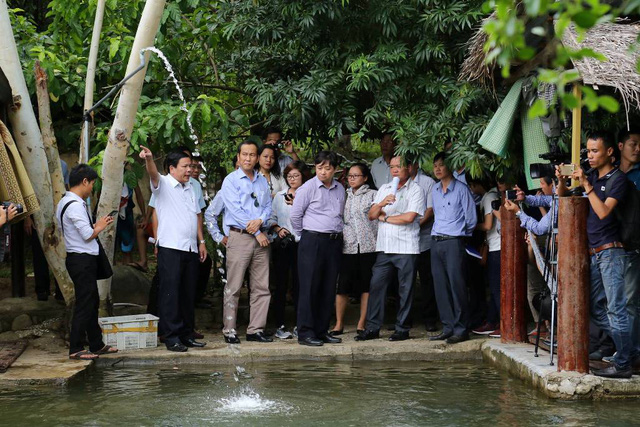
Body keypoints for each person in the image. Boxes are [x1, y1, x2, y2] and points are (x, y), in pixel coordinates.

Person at [558, 131, 631, 378]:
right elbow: (563, 197)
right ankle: (627, 350)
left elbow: (603, 212)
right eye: (588, 151)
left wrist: (587, 185)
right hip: (594, 253)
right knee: (595, 307)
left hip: (612, 252)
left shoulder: (617, 179)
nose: (589, 156)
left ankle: (623, 364)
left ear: (610, 152)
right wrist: (561, 180)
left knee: (616, 309)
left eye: (595, 151)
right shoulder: (590, 176)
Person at [140, 147, 208, 352]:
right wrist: (150, 159)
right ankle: (171, 336)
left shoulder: (191, 187)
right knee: (170, 293)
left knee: (188, 292)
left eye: (191, 166)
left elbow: (196, 216)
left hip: (190, 248)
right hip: (170, 247)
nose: (190, 170)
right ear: (172, 168)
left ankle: (187, 334)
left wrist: (201, 241)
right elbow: (152, 173)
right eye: (185, 166)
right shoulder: (163, 185)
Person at [356, 156, 425, 341]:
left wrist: (385, 218)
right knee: (377, 286)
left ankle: (402, 328)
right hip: (384, 247)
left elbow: (409, 218)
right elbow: (371, 215)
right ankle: (372, 328)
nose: (394, 170)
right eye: (392, 167)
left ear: (409, 168)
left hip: (406, 247)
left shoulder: (416, 190)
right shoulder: (385, 189)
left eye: (398, 167)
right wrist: (381, 204)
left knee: (405, 289)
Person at [56, 164, 118, 360]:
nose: (92, 188)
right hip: (81, 260)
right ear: (84, 181)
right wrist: (99, 226)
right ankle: (75, 347)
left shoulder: (66, 202)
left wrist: (97, 225)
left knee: (90, 303)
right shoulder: (74, 205)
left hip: (81, 258)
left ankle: (96, 343)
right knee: (85, 303)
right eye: (91, 183)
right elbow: (87, 234)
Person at [218, 140, 273, 344]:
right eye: (244, 155)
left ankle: (255, 330)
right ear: (239, 157)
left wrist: (261, 220)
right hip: (240, 237)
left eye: (252, 155)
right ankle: (230, 330)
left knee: (261, 287)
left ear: (257, 157)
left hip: (261, 239)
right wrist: (257, 231)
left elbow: (268, 206)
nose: (248, 158)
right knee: (234, 286)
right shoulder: (230, 181)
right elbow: (235, 210)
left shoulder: (262, 181)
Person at [291, 151, 346, 347]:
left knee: (328, 286)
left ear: (334, 169)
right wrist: (305, 236)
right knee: (309, 287)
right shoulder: (308, 188)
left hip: (334, 241)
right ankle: (305, 332)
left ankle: (322, 331)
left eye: (327, 168)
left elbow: (340, 215)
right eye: (319, 167)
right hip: (312, 240)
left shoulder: (340, 188)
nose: (323, 172)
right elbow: (295, 216)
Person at [429, 152, 477, 344]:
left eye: (441, 165)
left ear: (450, 166)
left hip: (454, 241)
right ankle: (448, 327)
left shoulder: (461, 189)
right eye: (435, 166)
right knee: (441, 286)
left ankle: (461, 328)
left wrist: (458, 234)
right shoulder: (434, 189)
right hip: (436, 240)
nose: (438, 169)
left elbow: (471, 219)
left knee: (457, 285)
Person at [330, 163, 378, 336]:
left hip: (369, 246)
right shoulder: (344, 195)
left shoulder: (374, 194)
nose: (351, 179)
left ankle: (361, 323)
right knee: (342, 286)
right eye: (349, 176)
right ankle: (339, 324)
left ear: (365, 178)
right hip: (348, 247)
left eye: (356, 176)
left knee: (366, 286)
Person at [268, 161, 310, 339]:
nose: (292, 179)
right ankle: (280, 324)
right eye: (289, 176)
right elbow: (271, 218)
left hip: (303, 243)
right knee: (281, 284)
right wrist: (278, 229)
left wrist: (297, 206)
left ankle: (301, 324)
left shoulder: (309, 194)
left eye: (296, 176)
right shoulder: (279, 196)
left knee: (301, 285)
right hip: (284, 243)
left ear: (303, 177)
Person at [618, 129, 640, 372]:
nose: (637, 149)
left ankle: (633, 351)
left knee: (631, 300)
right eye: (633, 144)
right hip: (611, 245)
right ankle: (619, 346)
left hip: (634, 245)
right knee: (614, 300)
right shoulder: (611, 173)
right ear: (620, 146)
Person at [468, 176, 501, 337]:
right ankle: (492, 320)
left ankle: (503, 323)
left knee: (496, 287)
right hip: (494, 245)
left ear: (475, 184)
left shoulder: (489, 197)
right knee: (494, 287)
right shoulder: (494, 195)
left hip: (497, 246)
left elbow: (488, 225)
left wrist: (469, 226)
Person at [408, 161, 439, 332]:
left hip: (424, 239)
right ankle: (405, 319)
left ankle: (430, 319)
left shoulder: (427, 182)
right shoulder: (396, 183)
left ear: (413, 165)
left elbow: (430, 210)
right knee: (405, 281)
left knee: (428, 281)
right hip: (404, 241)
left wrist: (413, 225)